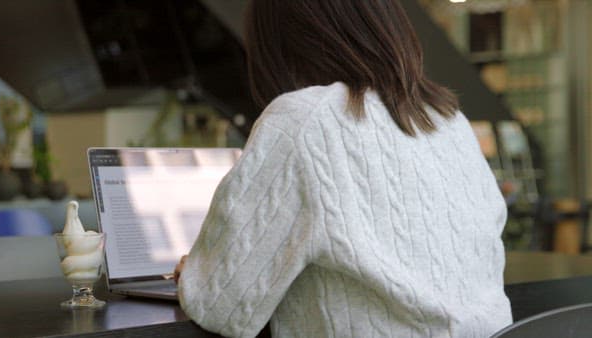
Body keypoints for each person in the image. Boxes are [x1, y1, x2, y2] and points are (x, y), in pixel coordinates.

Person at [174, 0, 512, 337]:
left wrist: (194, 274)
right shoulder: (449, 120)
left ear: (278, 43)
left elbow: (219, 304)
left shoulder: (304, 120)